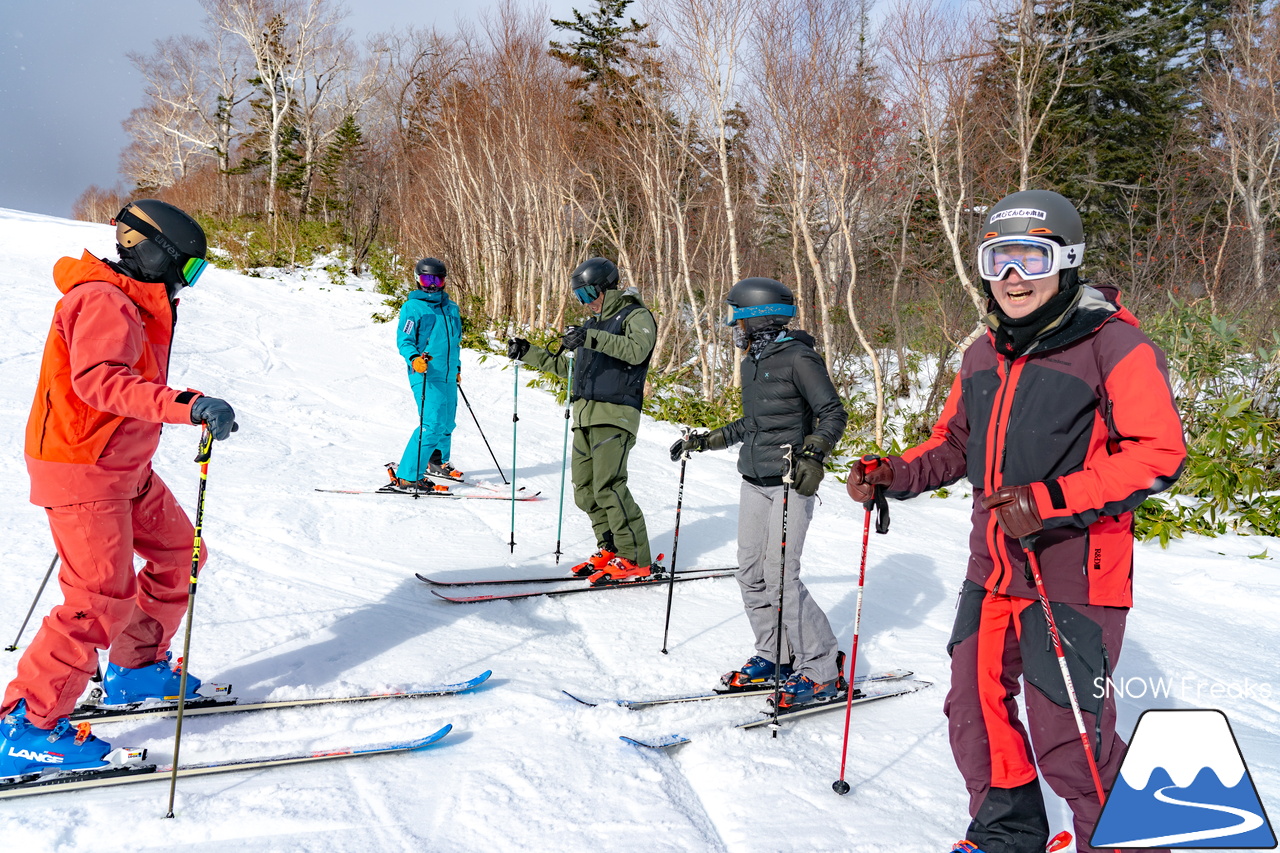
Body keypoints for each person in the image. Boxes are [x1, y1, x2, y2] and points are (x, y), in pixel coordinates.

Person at [845, 190, 1185, 853]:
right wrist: (893, 470)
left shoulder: (1115, 345)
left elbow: (1158, 453)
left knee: (1071, 740)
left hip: (1072, 573)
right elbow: (951, 444)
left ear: (1067, 261)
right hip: (993, 569)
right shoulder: (982, 353)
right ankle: (1009, 834)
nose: (1012, 276)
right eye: (998, 258)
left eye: (1030, 257)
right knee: (973, 713)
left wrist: (1050, 500)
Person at [0, 199, 239, 778]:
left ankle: (135, 668)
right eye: (190, 269)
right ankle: (25, 729)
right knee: (96, 598)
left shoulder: (135, 301)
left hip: (124, 469)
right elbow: (101, 382)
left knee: (182, 553)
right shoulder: (103, 299)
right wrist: (187, 405)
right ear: (156, 253)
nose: (189, 283)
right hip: (84, 470)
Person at [669, 277, 848, 708]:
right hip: (754, 480)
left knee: (782, 576)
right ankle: (776, 655)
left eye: (737, 318)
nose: (734, 327)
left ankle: (822, 669)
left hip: (789, 481)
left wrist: (815, 455)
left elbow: (832, 413)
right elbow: (752, 424)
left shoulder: (799, 359)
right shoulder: (754, 362)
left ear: (757, 318)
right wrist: (705, 441)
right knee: (750, 573)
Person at [506, 257, 656, 583]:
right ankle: (612, 547)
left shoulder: (635, 315)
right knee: (585, 491)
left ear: (604, 287)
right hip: (584, 416)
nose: (585, 302)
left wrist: (591, 338)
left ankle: (636, 557)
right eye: (579, 297)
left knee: (609, 488)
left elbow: (637, 351)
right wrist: (528, 351)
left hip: (615, 414)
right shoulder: (589, 327)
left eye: (588, 294)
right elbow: (568, 370)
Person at [388, 257, 463, 491]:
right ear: (417, 279)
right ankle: (408, 476)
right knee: (431, 424)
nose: (432, 285)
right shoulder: (413, 307)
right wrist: (414, 358)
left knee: (447, 422)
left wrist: (457, 368)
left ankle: (435, 461)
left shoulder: (451, 308)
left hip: (448, 374)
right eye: (426, 279)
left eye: (437, 280)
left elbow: (455, 342)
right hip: (425, 371)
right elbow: (405, 339)